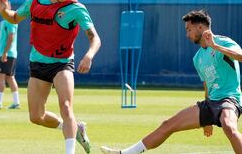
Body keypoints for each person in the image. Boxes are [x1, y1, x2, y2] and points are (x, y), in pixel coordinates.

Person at [101, 9, 242, 154]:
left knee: (229, 127)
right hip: (211, 103)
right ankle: (125, 153)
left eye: (189, 29)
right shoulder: (198, 58)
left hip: (229, 99)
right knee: (167, 125)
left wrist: (215, 46)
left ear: (200, 27)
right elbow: (207, 86)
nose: (187, 35)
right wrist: (207, 119)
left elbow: (241, 56)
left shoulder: (223, 42)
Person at [0, 0, 101, 154]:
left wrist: (89, 55)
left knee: (66, 106)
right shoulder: (35, 0)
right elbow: (14, 18)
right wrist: (4, 11)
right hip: (38, 64)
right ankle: (76, 130)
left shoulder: (75, 8)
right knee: (36, 117)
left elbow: (95, 38)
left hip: (62, 63)